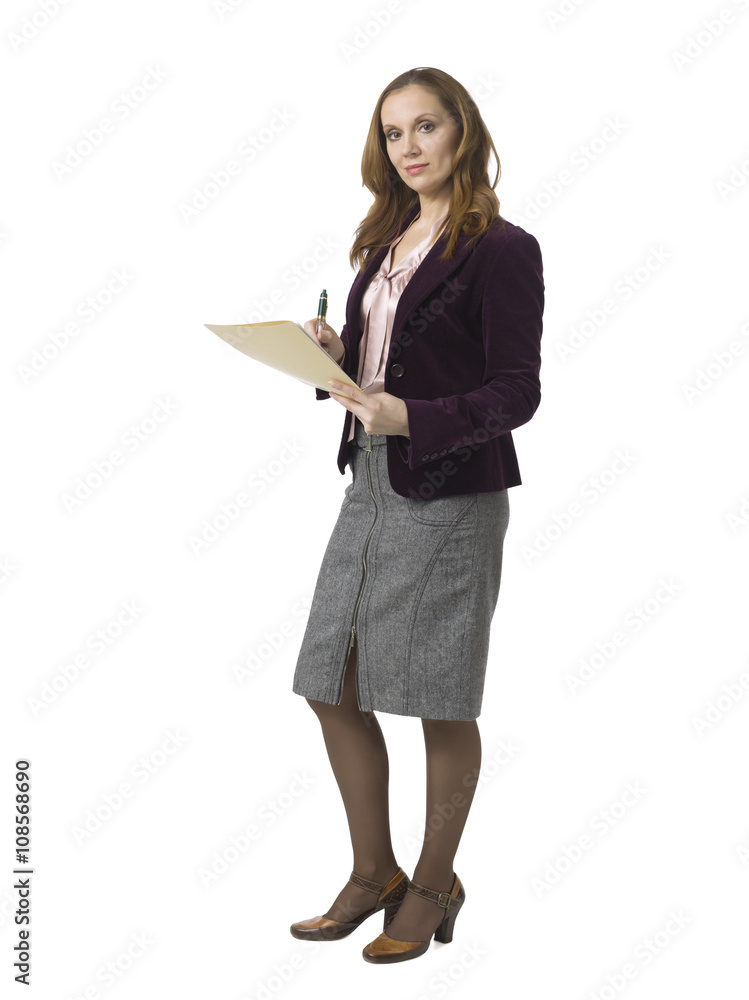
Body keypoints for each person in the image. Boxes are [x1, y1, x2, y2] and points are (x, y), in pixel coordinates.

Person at [289, 67, 544, 964]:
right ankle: (374, 873)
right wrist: (338, 353)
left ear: (461, 131)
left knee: (438, 694)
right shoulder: (384, 241)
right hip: (368, 479)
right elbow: (391, 362)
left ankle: (434, 885)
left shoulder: (500, 248)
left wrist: (413, 418)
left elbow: (515, 391)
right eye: (393, 133)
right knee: (328, 679)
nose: (408, 147)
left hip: (450, 492)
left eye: (424, 126)